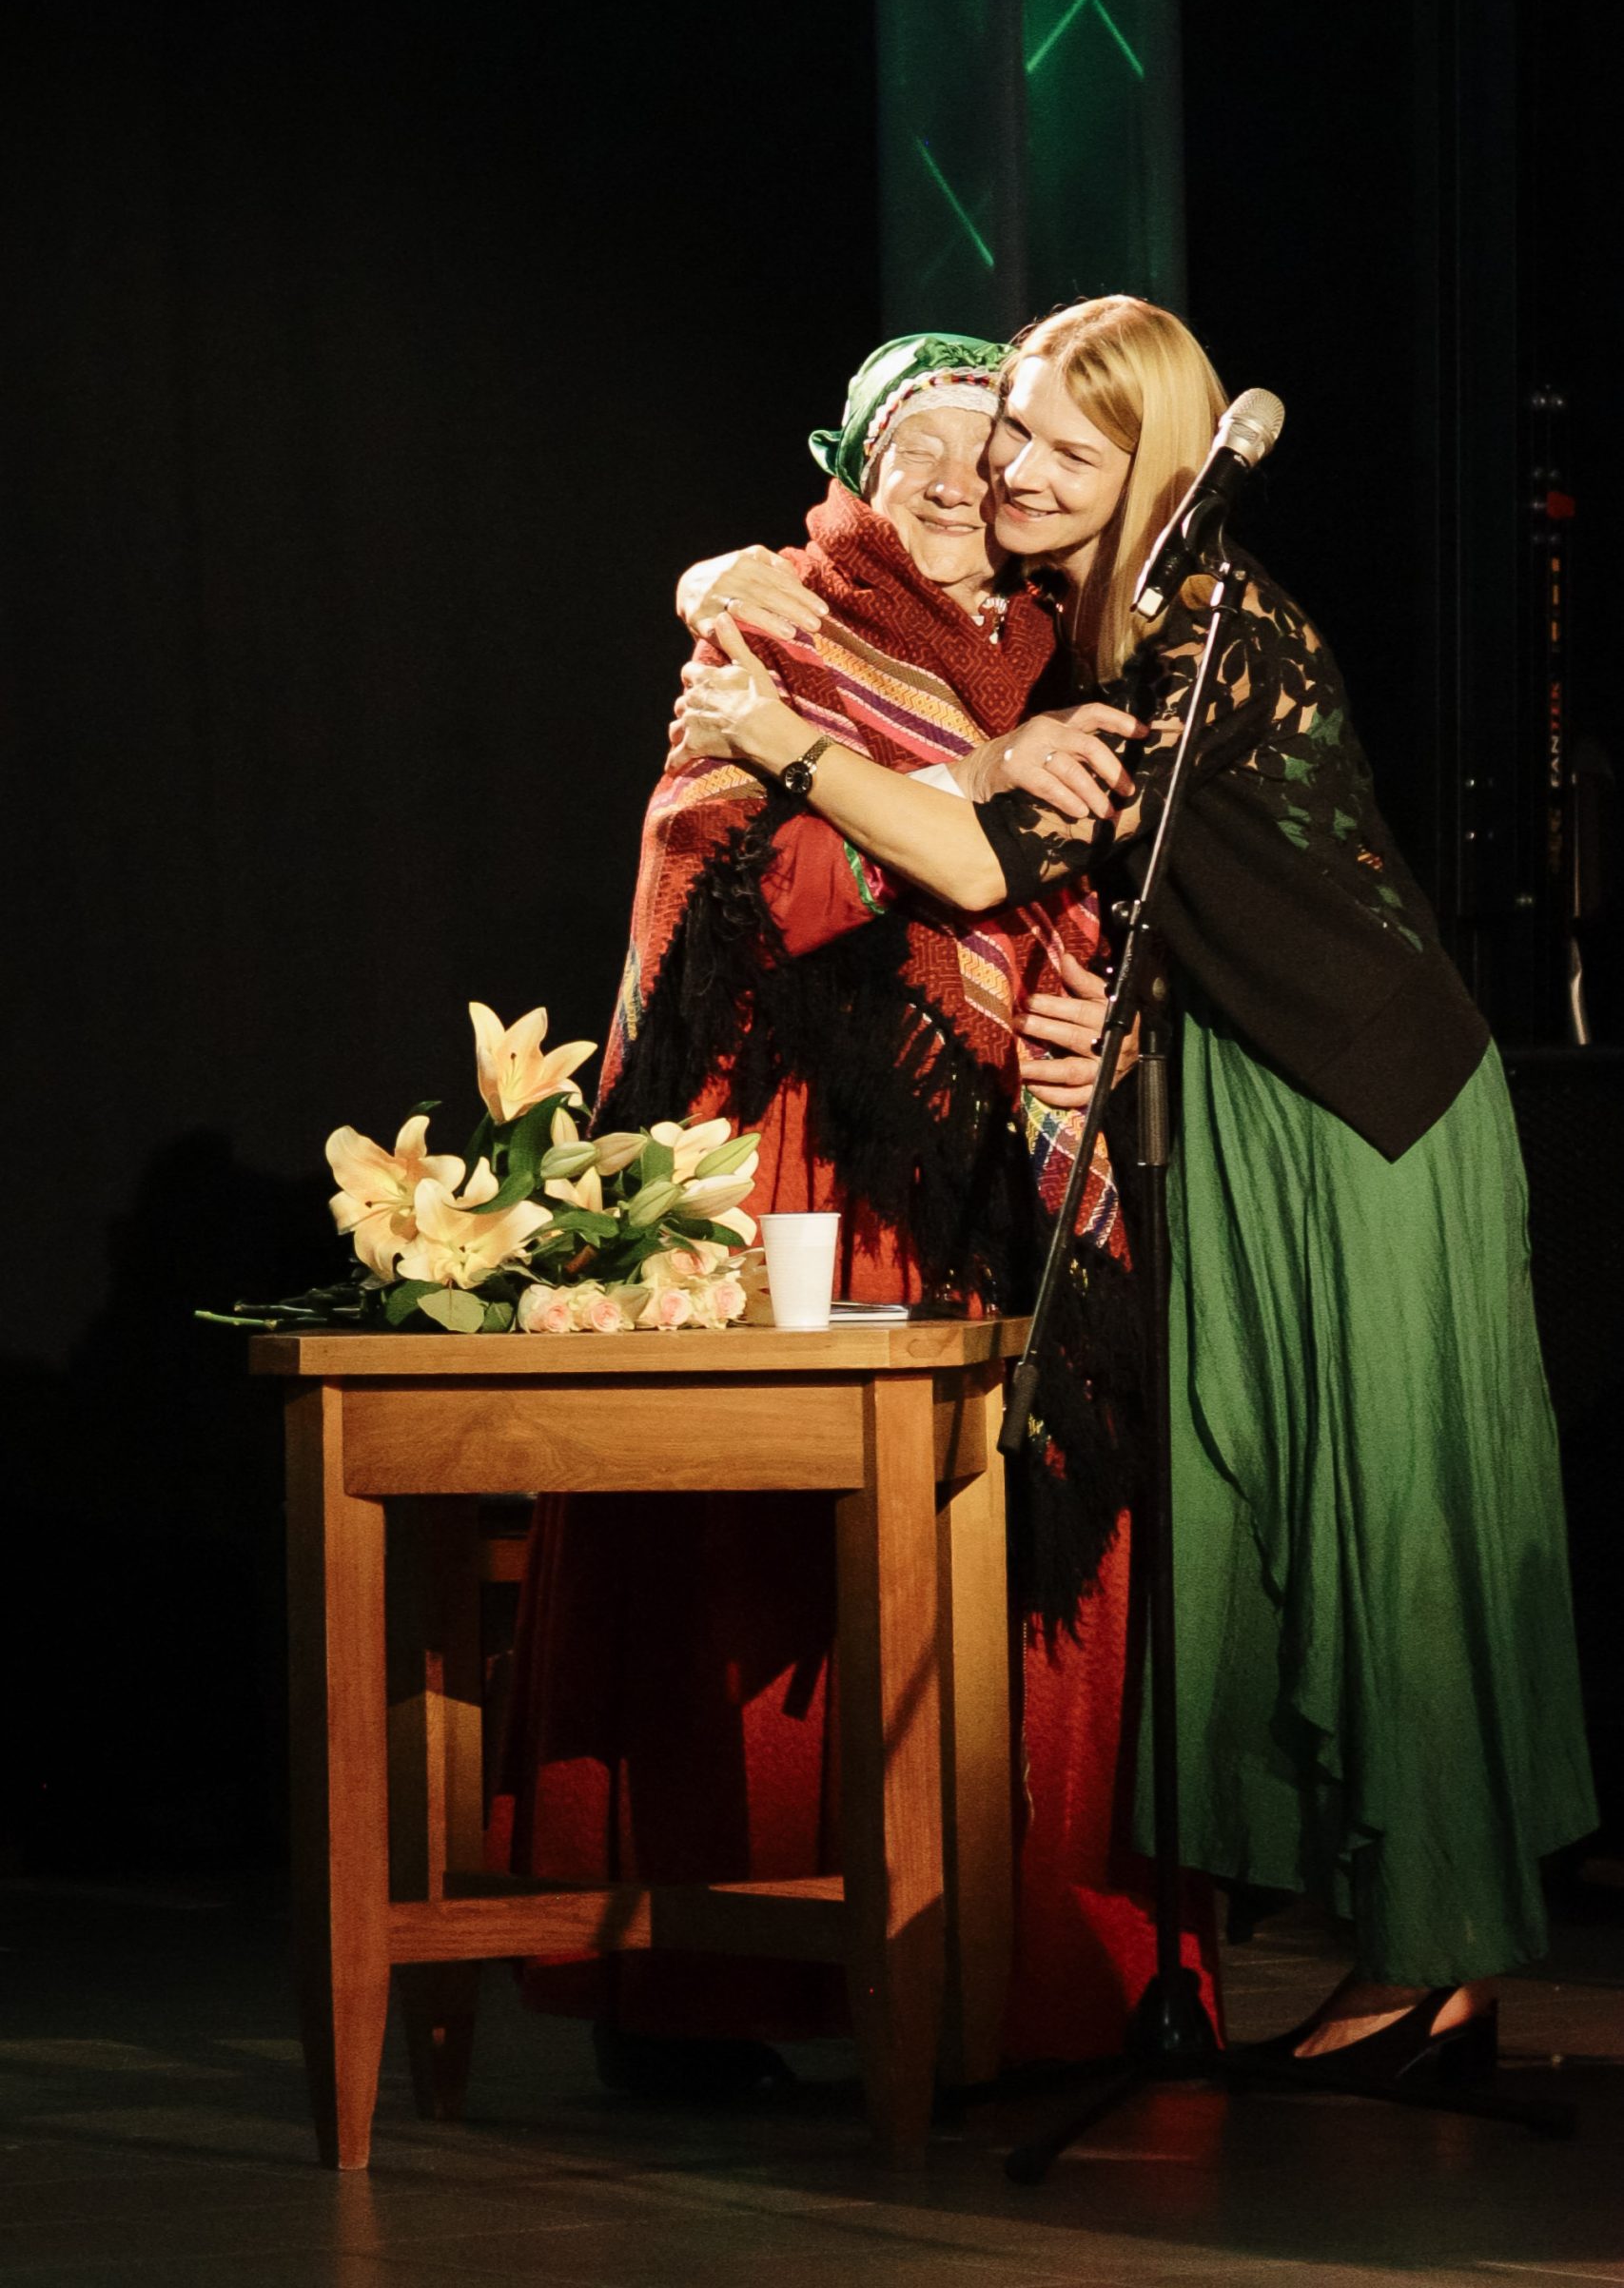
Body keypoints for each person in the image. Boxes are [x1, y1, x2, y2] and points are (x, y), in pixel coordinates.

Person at [676, 292, 1597, 2079]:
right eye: (1011, 428)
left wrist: (776, 740)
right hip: (1246, 1098)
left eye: (1063, 448)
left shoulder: (1199, 634)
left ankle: (1447, 1965)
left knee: (1390, 1513)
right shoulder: (1107, 636)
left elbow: (971, 856)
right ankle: (1401, 1947)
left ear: (1158, 465)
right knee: (1278, 1504)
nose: (1012, 471)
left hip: (1364, 1105)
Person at [494, 332, 1219, 2088]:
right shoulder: (774, 625)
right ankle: (714, 1986)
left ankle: (1032, 1979)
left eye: (995, 450)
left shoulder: (1073, 653)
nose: (963, 485)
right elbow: (710, 860)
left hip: (1019, 1156)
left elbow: (1136, 898)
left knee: (1041, 1547)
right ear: (854, 474)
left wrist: (1115, 1022)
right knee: (759, 1570)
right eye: (921, 455)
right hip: (810, 1152)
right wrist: (957, 792)